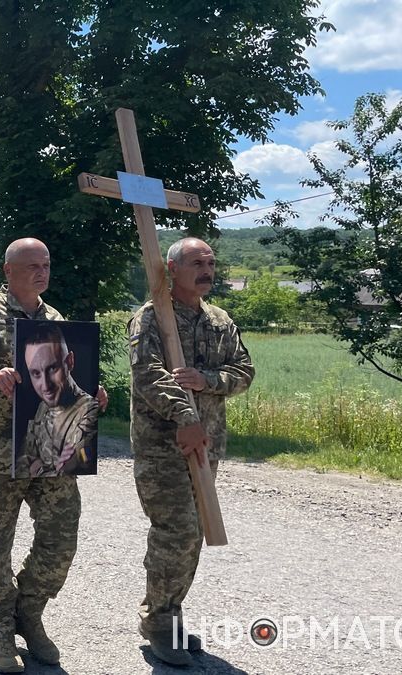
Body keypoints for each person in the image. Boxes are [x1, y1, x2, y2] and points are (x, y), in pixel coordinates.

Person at [0, 238, 108, 673]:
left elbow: (67, 385)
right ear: (9, 271)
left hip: (52, 453)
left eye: (46, 264)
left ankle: (28, 614)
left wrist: (91, 397)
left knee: (61, 536)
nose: (41, 271)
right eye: (31, 265)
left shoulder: (55, 321)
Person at [129, 237, 254, 666]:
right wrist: (185, 417)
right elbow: (148, 376)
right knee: (176, 530)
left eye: (211, 262)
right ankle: (159, 622)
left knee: (193, 535)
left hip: (207, 446)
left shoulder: (220, 320)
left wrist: (207, 380)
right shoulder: (150, 318)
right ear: (171, 269)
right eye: (197, 262)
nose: (207, 269)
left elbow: (244, 372)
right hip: (162, 447)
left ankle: (171, 612)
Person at [16, 327, 100, 478]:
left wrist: (39, 467)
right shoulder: (43, 406)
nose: (46, 385)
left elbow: (74, 463)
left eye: (52, 368)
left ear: (70, 362)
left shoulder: (88, 408)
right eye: (36, 373)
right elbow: (25, 457)